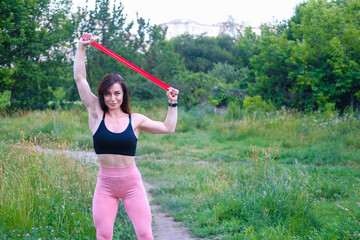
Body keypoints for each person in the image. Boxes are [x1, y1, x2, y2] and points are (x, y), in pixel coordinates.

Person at [73, 32, 179, 240]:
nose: (112, 98)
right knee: (103, 235)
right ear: (102, 95)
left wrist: (172, 103)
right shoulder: (95, 113)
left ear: (124, 95)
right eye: (107, 94)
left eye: (117, 93)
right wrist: (81, 48)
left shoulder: (135, 120)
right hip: (105, 185)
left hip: (132, 185)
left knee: (145, 234)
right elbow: (80, 78)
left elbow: (168, 127)